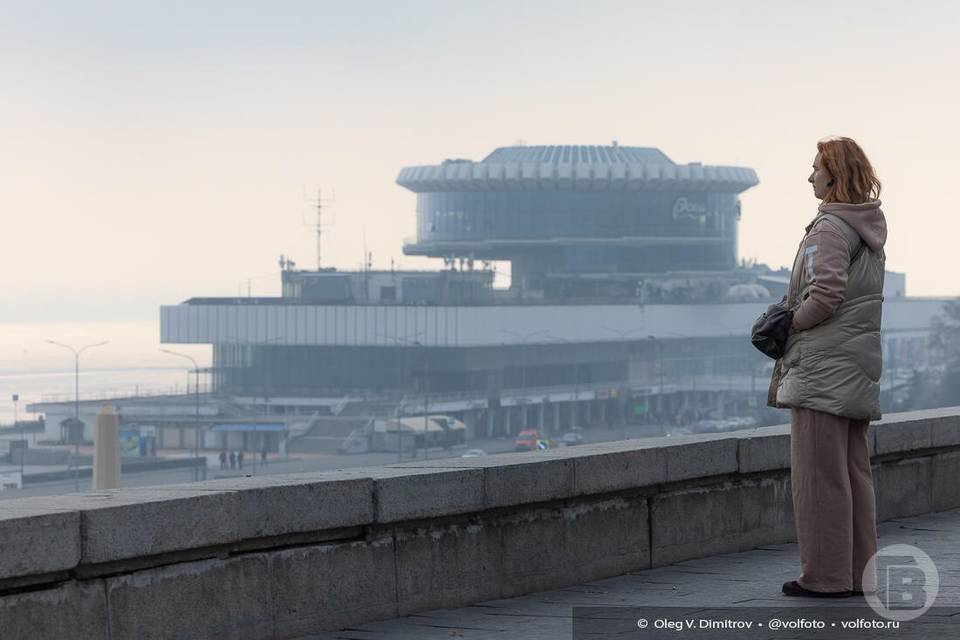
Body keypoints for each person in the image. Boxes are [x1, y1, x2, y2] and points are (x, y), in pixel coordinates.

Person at [768, 136, 886, 598]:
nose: (810, 175)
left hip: (821, 369)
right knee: (854, 477)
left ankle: (825, 577)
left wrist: (790, 325)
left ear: (835, 175)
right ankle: (858, 574)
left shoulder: (829, 230)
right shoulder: (866, 228)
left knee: (819, 480)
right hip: (853, 367)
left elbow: (826, 292)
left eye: (816, 168)